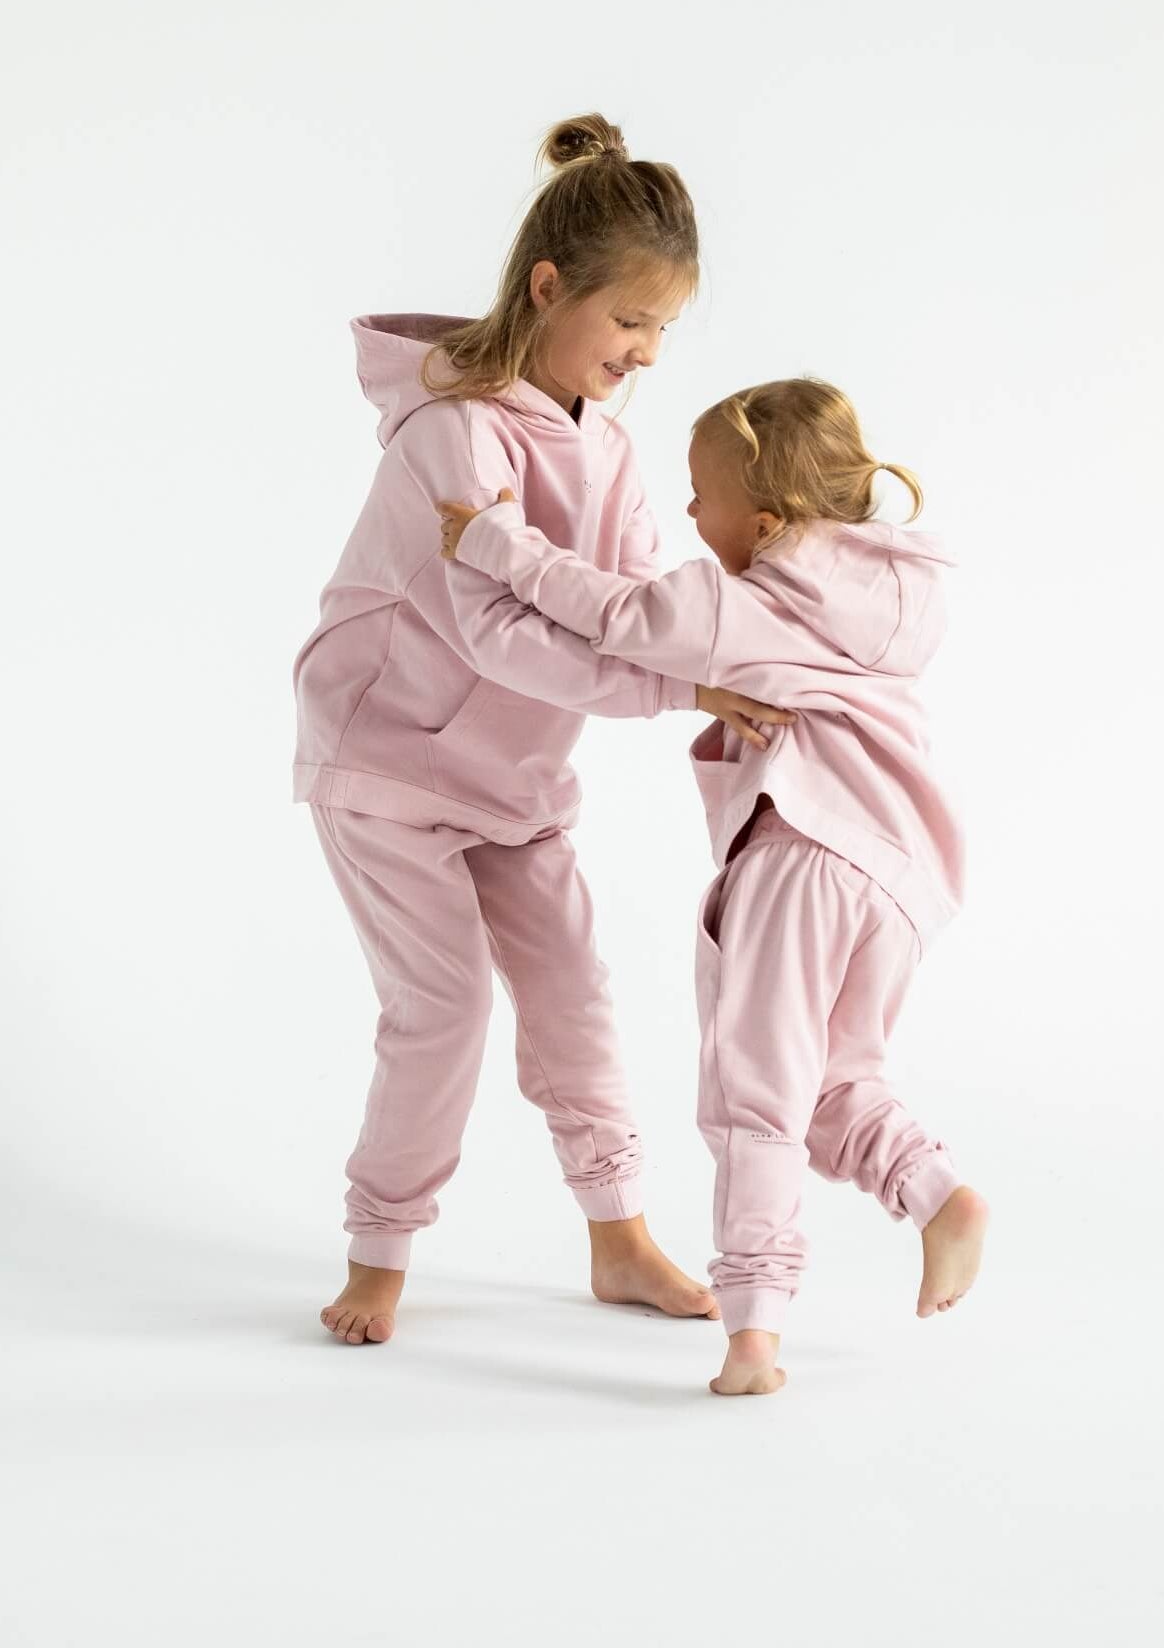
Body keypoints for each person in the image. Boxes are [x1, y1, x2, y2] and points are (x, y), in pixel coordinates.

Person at [292, 113, 791, 1345]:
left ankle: (618, 1237)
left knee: (575, 997)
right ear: (549, 285)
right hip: (388, 767)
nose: (648, 351)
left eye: (665, 328)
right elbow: (499, 637)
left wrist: (755, 642)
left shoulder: (607, 449)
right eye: (632, 320)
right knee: (444, 1006)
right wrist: (682, 693)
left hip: (514, 780)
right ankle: (380, 1248)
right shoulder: (454, 432)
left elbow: (638, 606)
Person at [438, 376, 989, 1394]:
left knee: (752, 1093)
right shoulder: (886, 594)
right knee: (829, 1086)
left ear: (769, 523)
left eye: (702, 493)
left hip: (806, 850)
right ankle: (934, 1190)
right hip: (900, 876)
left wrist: (494, 541)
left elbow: (620, 614)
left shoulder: (757, 602)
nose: (688, 509)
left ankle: (753, 1333)